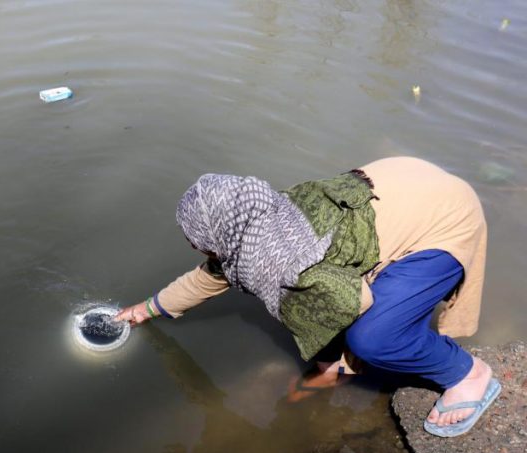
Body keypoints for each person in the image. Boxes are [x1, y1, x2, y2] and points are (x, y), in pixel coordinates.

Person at [116, 156, 499, 438]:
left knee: (374, 338)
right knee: (332, 307)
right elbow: (211, 277)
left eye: (196, 241)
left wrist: (335, 367)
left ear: (215, 239)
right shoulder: (261, 214)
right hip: (407, 178)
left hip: (446, 219)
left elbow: (354, 303)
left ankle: (468, 374)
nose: (197, 249)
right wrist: (145, 310)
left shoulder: (280, 263)